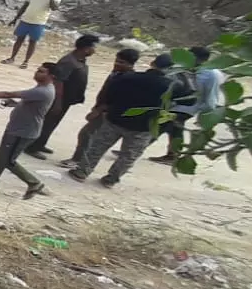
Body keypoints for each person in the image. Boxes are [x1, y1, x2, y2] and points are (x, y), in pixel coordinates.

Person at [68, 53, 174, 188]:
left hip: (116, 119)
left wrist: (105, 109)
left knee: (98, 147)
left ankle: (81, 172)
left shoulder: (127, 78)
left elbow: (110, 95)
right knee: (129, 156)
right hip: (143, 127)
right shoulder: (171, 87)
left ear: (152, 63)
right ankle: (111, 179)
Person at [0, 63, 57, 199]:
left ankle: (34, 183)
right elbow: (32, 106)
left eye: (42, 71)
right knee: (3, 157)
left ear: (51, 76)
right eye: (38, 70)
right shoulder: (43, 89)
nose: (37, 73)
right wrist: (15, 104)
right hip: (19, 129)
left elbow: (8, 93)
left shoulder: (42, 91)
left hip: (22, 131)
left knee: (7, 160)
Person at [60, 48, 140, 170]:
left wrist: (99, 110)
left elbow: (117, 98)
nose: (116, 64)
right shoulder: (116, 73)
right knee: (89, 135)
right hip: (102, 108)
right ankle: (80, 160)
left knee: (87, 134)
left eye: (121, 62)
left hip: (107, 112)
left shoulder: (128, 79)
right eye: (116, 61)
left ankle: (79, 160)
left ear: (131, 64)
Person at [28, 35, 100, 157]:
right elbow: (58, 81)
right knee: (48, 121)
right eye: (93, 47)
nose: (95, 50)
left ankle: (40, 143)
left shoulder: (79, 61)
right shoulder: (69, 61)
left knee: (53, 122)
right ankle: (32, 147)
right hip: (59, 97)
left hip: (67, 98)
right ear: (86, 48)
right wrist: (58, 101)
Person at [150, 46, 223, 165]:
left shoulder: (211, 74)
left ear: (200, 59)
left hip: (190, 106)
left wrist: (207, 114)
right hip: (174, 102)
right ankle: (172, 155)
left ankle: (135, 149)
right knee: (174, 128)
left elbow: (211, 95)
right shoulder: (183, 67)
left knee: (161, 123)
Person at [5, 0, 61, 69]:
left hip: (39, 22)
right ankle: (12, 58)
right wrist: (15, 19)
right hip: (25, 20)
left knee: (32, 42)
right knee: (19, 39)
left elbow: (54, 8)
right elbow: (24, 6)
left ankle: (25, 61)